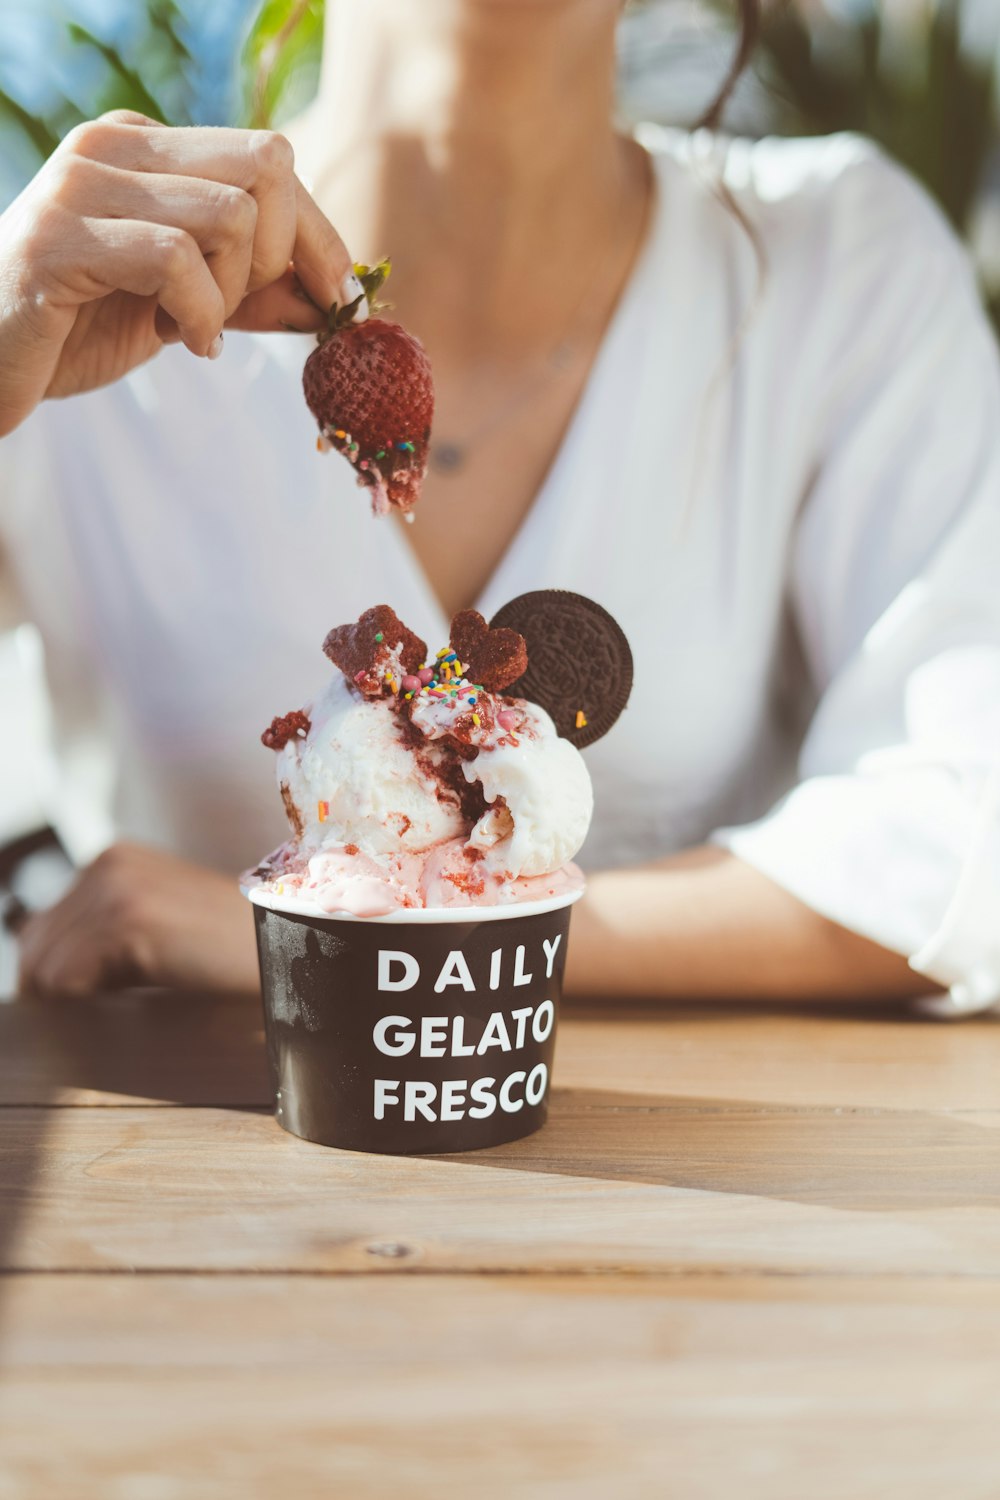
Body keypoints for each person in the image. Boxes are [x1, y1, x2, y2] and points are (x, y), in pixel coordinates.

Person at [1, 0, 998, 1014]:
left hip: (687, 1153)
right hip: (191, 1154)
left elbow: (962, 834)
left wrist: (303, 929)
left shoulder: (835, 266)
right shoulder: (86, 290)